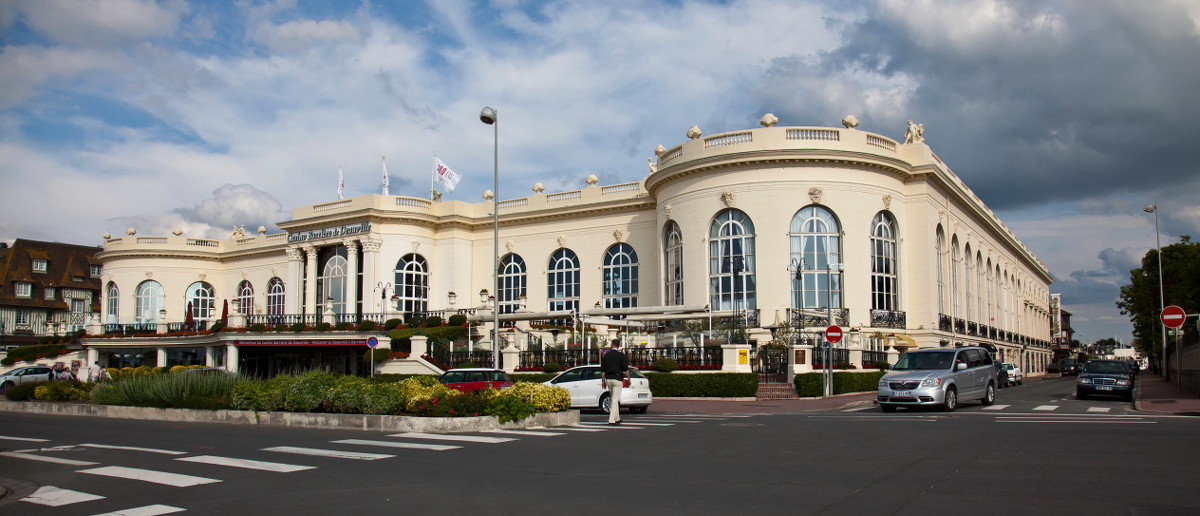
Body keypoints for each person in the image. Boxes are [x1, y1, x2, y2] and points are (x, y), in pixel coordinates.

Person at [599, 338, 630, 425]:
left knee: (614, 398)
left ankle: (617, 418)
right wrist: (629, 379)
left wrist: (603, 381)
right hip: (617, 379)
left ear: (612, 345)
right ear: (619, 346)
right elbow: (626, 369)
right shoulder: (621, 355)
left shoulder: (606, 355)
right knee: (615, 400)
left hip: (608, 379)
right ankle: (611, 420)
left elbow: (603, 370)